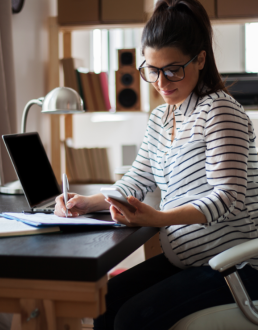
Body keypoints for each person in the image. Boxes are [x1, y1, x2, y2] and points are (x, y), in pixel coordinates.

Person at [55, 0, 258, 329]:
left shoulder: (220, 111)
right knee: (104, 302)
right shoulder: (162, 117)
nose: (161, 82)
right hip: (188, 261)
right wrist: (87, 202)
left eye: (172, 69)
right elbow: (139, 176)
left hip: (233, 268)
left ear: (200, 59)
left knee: (130, 319)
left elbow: (228, 199)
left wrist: (161, 218)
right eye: (152, 69)